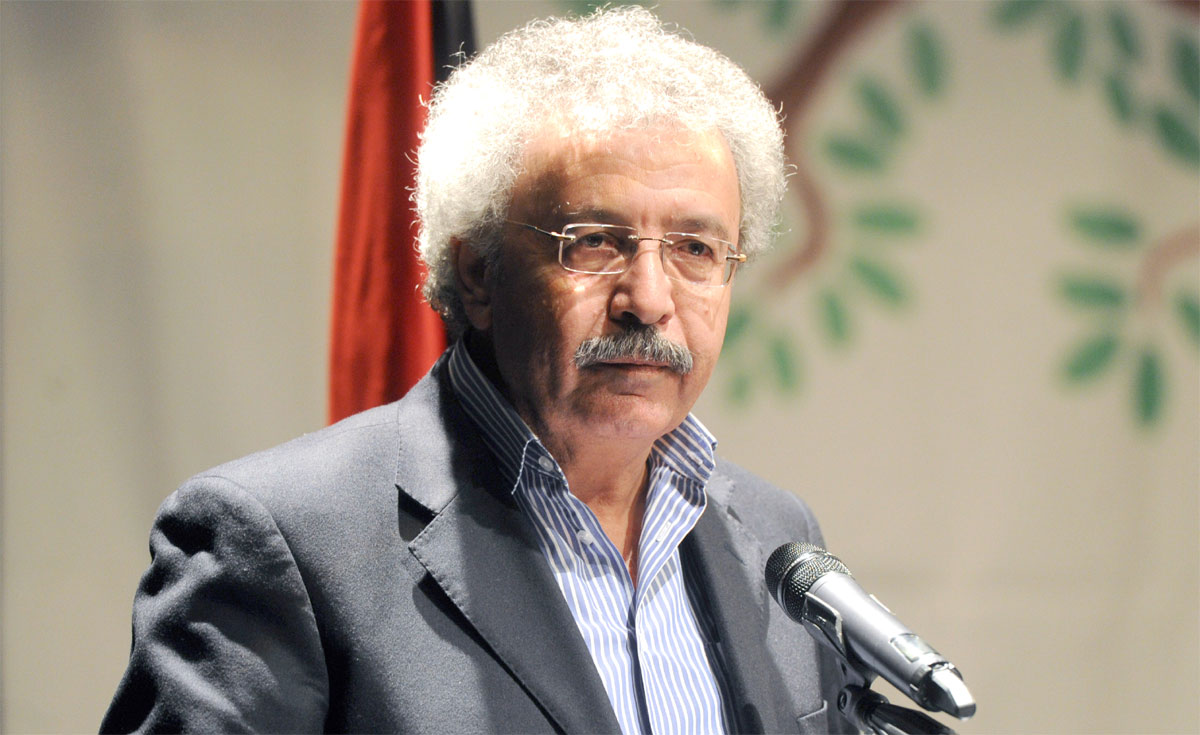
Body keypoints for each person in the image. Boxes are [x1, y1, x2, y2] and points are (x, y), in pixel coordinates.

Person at [102, 7, 854, 734]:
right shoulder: (280, 543)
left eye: (695, 249)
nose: (650, 300)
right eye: (594, 241)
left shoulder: (777, 539)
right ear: (477, 274)